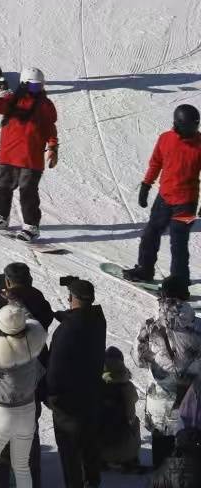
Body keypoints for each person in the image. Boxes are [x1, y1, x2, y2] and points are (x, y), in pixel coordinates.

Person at [124, 106, 201, 287]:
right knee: (150, 233)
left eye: (195, 127)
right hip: (164, 198)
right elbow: (156, 162)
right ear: (178, 124)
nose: (193, 131)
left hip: (187, 203)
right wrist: (146, 185)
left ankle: (180, 282)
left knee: (179, 241)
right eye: (189, 127)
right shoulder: (166, 139)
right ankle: (145, 269)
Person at [0, 69, 58, 241]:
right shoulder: (12, 100)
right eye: (33, 86)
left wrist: (53, 147)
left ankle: (31, 227)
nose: (36, 89)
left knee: (28, 193)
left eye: (39, 86)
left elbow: (49, 127)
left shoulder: (45, 105)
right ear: (24, 84)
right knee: (2, 187)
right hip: (9, 154)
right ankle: (0, 217)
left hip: (31, 158)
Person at [0, 302, 48, 488]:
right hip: (27, 409)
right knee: (22, 466)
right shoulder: (35, 339)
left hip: (1, 411)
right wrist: (16, 304)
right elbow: (30, 319)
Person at [50, 278, 108, 488]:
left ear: (72, 298)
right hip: (91, 397)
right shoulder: (98, 320)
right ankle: (92, 483)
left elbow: (54, 371)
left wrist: (51, 397)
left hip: (69, 404)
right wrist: (61, 315)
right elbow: (79, 318)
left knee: (71, 456)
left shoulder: (66, 331)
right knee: (90, 448)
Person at [139, 283, 201, 466]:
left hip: (159, 406)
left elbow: (139, 359)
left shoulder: (150, 326)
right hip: (190, 407)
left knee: (161, 465)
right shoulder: (198, 326)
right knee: (188, 463)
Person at [97, 346, 143, 474]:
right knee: (135, 421)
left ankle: (101, 459)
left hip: (99, 448)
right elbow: (131, 413)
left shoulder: (95, 384)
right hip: (124, 450)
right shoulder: (127, 387)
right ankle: (129, 458)